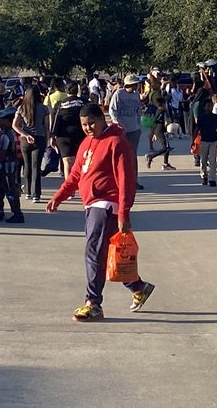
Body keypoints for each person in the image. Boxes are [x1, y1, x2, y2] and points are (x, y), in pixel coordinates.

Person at [45, 103, 155, 322]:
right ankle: (138, 286)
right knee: (105, 255)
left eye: (91, 123)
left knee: (94, 253)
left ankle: (93, 303)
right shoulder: (86, 143)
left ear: (102, 118)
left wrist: (124, 212)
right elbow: (76, 176)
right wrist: (58, 196)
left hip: (106, 206)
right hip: (91, 205)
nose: (88, 128)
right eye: (84, 125)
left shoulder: (117, 143)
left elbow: (126, 180)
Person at [13, 81, 50, 203]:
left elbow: (15, 125)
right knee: (36, 167)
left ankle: (28, 192)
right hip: (39, 138)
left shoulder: (22, 108)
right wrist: (47, 140)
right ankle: (36, 194)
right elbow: (46, 127)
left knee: (27, 166)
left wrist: (25, 134)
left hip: (25, 139)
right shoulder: (44, 108)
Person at [108, 74, 145, 189]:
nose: (136, 87)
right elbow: (112, 110)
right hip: (121, 130)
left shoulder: (136, 95)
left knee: (132, 156)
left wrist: (138, 125)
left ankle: (134, 181)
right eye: (134, 84)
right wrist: (116, 123)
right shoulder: (119, 94)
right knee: (120, 156)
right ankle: (119, 181)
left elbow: (138, 111)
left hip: (134, 129)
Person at [196, 88, 217, 186]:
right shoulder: (201, 117)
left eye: (211, 106)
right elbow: (196, 129)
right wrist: (193, 141)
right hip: (204, 140)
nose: (209, 108)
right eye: (208, 106)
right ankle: (204, 175)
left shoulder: (215, 117)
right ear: (204, 107)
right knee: (203, 160)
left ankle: (212, 179)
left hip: (214, 140)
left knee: (212, 160)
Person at [145, 93, 176, 170]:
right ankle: (151, 156)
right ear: (163, 104)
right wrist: (154, 133)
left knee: (167, 147)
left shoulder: (160, 110)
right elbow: (155, 121)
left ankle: (165, 163)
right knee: (166, 148)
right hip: (160, 130)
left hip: (161, 130)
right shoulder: (161, 111)